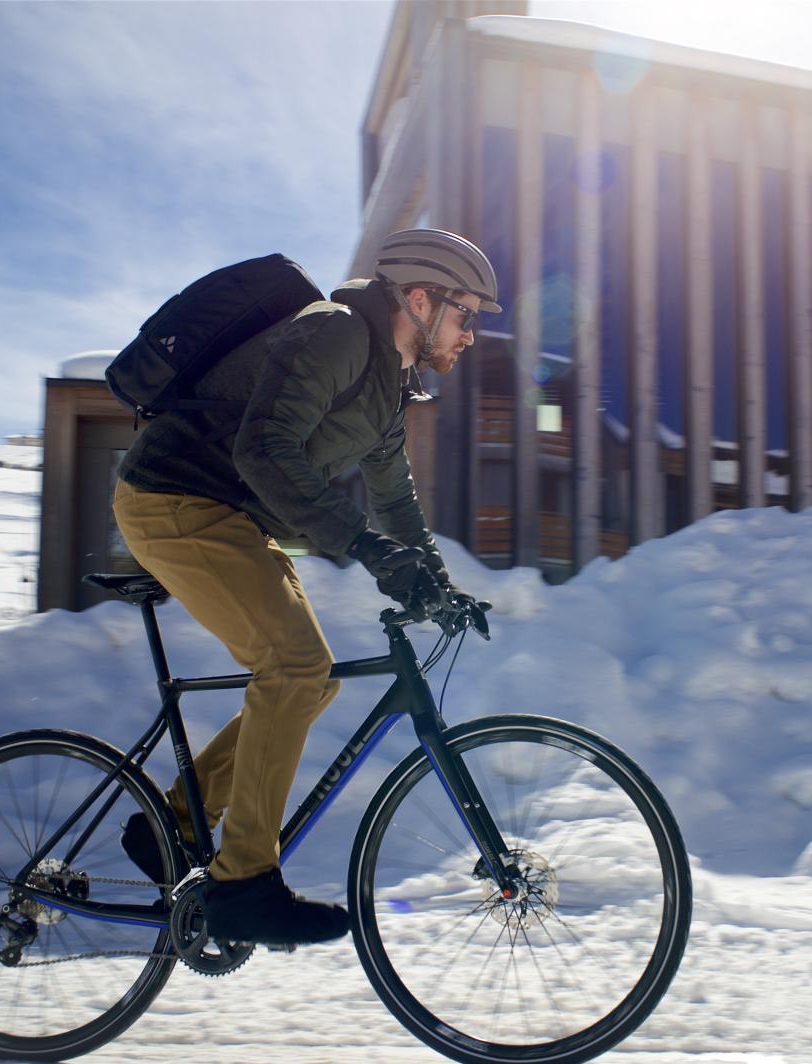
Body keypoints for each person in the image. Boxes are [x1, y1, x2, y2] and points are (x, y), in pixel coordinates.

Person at [111, 228, 501, 946]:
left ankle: (172, 826)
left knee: (311, 679)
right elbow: (263, 449)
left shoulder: (387, 387)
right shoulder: (335, 334)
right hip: (173, 496)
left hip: (229, 515)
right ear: (420, 300)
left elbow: (396, 500)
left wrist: (438, 585)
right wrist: (364, 547)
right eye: (466, 313)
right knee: (293, 668)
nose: (471, 334)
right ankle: (243, 886)